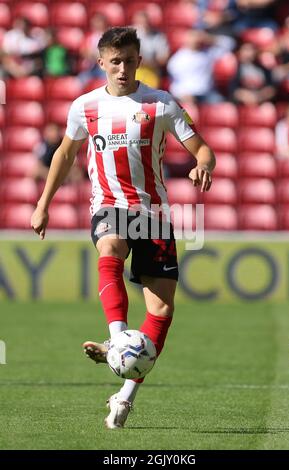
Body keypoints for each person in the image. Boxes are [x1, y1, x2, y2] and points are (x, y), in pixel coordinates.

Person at [31, 27, 215, 429]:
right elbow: (65, 153)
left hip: (154, 214)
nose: (123, 69)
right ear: (101, 63)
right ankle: (117, 338)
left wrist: (203, 163)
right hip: (110, 205)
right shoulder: (84, 106)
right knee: (110, 248)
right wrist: (43, 203)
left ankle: (126, 394)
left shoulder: (160, 103)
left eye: (130, 60)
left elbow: (202, 147)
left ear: (139, 61)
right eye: (115, 61)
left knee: (162, 310)